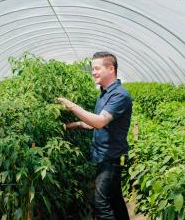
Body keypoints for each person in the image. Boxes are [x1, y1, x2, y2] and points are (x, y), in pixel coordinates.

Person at [56, 52, 132, 220]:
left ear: (111, 69)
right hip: (103, 157)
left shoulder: (119, 95)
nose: (93, 72)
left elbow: (99, 121)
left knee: (101, 204)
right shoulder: (104, 94)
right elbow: (95, 123)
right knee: (115, 200)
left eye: (97, 68)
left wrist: (72, 106)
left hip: (111, 158)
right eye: (93, 69)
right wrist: (72, 125)